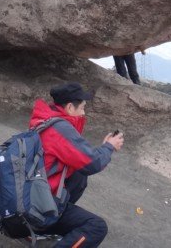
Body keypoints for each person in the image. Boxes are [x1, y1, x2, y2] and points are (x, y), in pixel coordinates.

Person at [28, 82, 124, 248]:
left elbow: (81, 159)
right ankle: (41, 224)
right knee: (96, 227)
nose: (84, 112)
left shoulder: (45, 120)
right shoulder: (60, 129)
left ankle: (45, 226)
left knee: (79, 175)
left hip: (29, 196)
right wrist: (109, 147)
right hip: (37, 206)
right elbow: (92, 163)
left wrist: (104, 148)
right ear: (70, 107)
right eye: (83, 108)